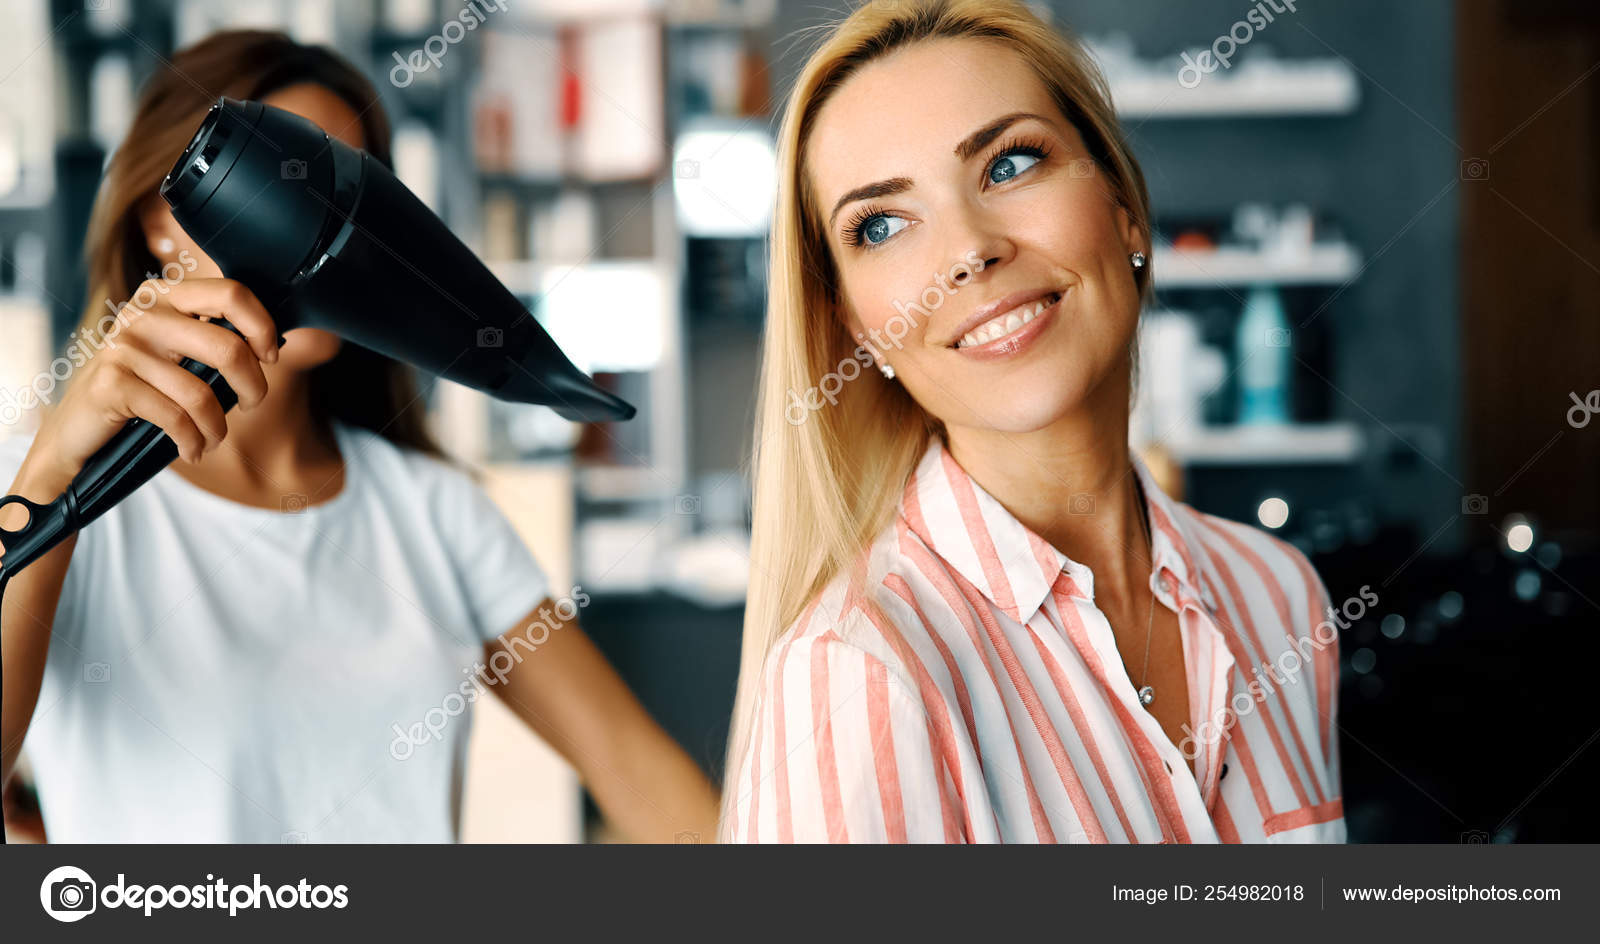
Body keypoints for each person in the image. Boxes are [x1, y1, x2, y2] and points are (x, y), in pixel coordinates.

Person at [0, 30, 717, 843]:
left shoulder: (431, 513)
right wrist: (52, 472)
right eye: (294, 181)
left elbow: (634, 769)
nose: (334, 230)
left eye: (353, 188)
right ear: (162, 220)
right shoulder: (40, 498)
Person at [721, 0, 1344, 843]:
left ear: (1125, 205)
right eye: (882, 224)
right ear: (858, 330)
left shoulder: (1280, 595)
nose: (969, 250)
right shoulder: (859, 673)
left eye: (1009, 165)